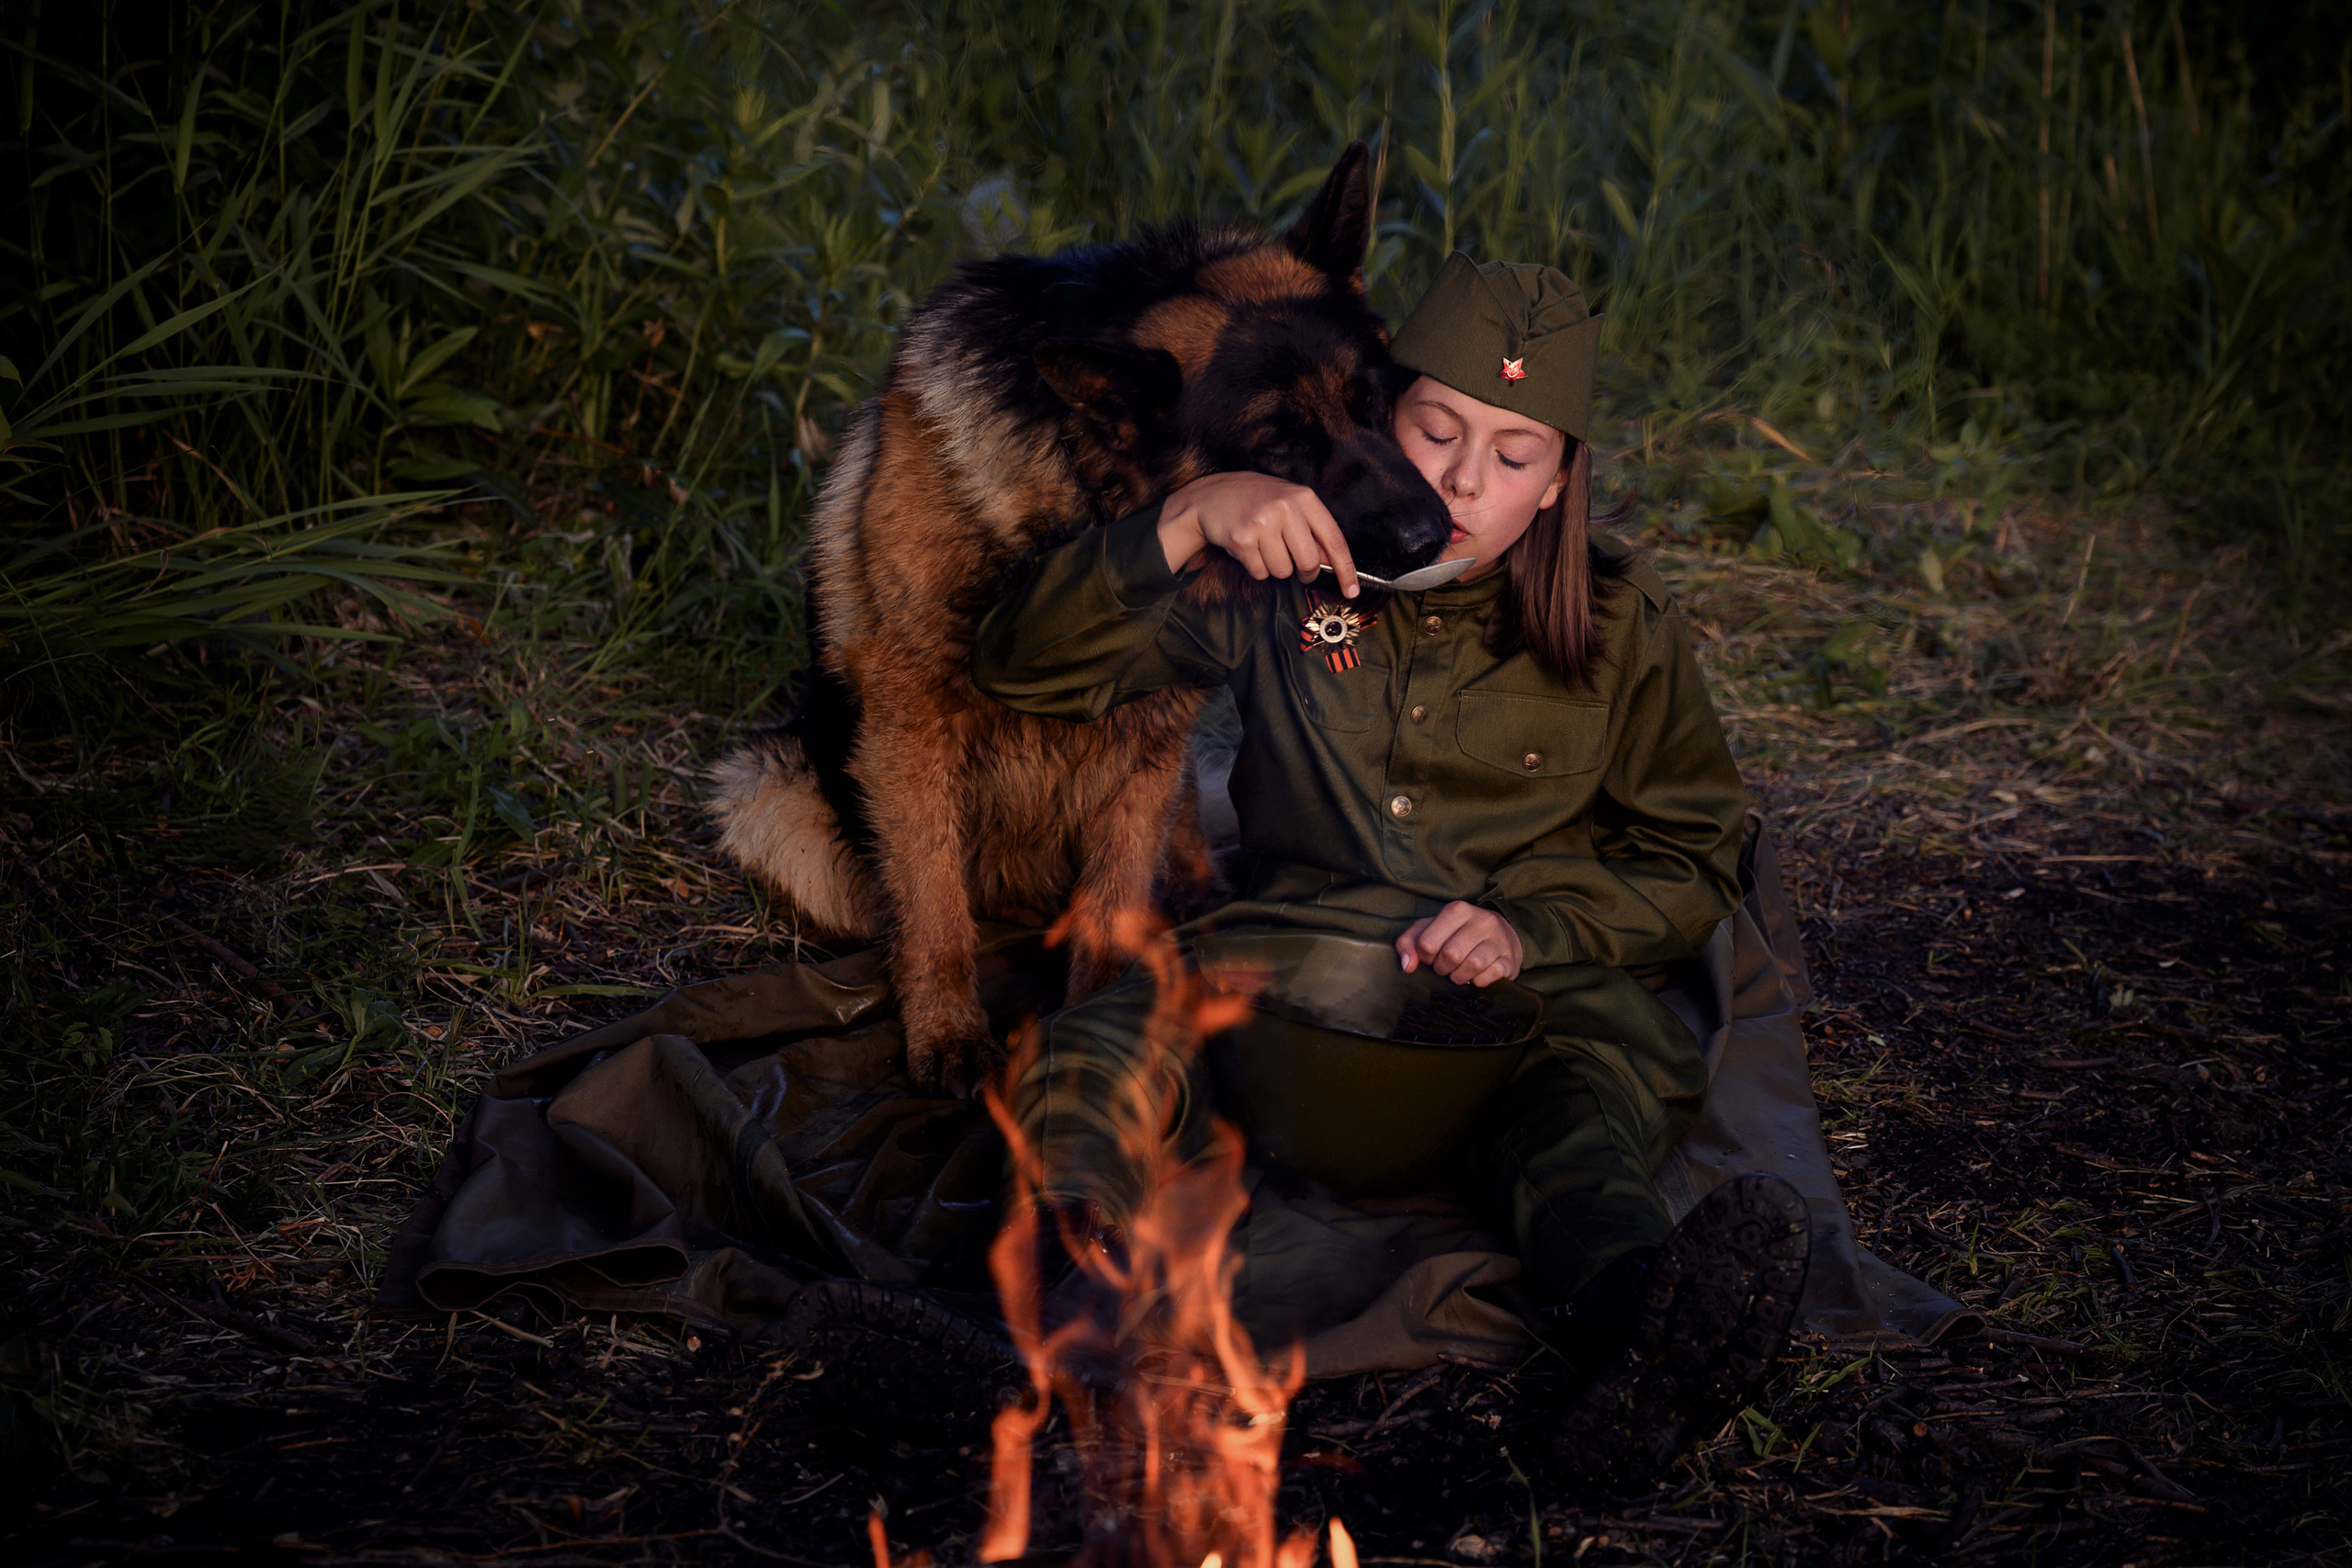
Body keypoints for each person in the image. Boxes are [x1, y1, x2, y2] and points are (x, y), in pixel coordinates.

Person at [806, 254, 1814, 1475]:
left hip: (1520, 1014)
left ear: (1558, 486)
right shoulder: (1267, 570)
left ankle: (1638, 1330)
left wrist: (1527, 928)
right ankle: (1032, 1319)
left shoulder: (1619, 623)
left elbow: (1688, 849)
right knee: (1098, 1048)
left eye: (1512, 457)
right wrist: (1184, 519)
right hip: (1281, 995)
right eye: (1437, 428)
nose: (1460, 478)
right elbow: (1026, 670)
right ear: (1384, 414)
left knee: (1582, 1126)